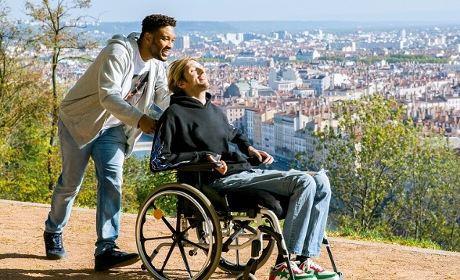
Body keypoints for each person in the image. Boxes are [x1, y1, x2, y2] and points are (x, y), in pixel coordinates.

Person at [150, 57, 339, 280]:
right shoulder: (174, 115)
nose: (202, 71)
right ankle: (282, 265)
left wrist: (250, 149)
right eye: (194, 70)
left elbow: (234, 133)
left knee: (321, 181)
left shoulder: (215, 111)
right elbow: (159, 160)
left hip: (244, 171)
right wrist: (204, 157)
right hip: (218, 181)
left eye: (202, 67)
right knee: (304, 181)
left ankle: (304, 259)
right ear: (181, 83)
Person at [43, 14, 176, 271]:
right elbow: (108, 96)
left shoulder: (157, 66)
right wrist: (140, 120)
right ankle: (53, 230)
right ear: (148, 37)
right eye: (165, 38)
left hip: (113, 129)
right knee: (71, 183)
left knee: (112, 180)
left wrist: (191, 111)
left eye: (172, 39)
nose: (169, 44)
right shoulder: (118, 52)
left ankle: (106, 248)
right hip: (80, 123)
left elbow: (164, 97)